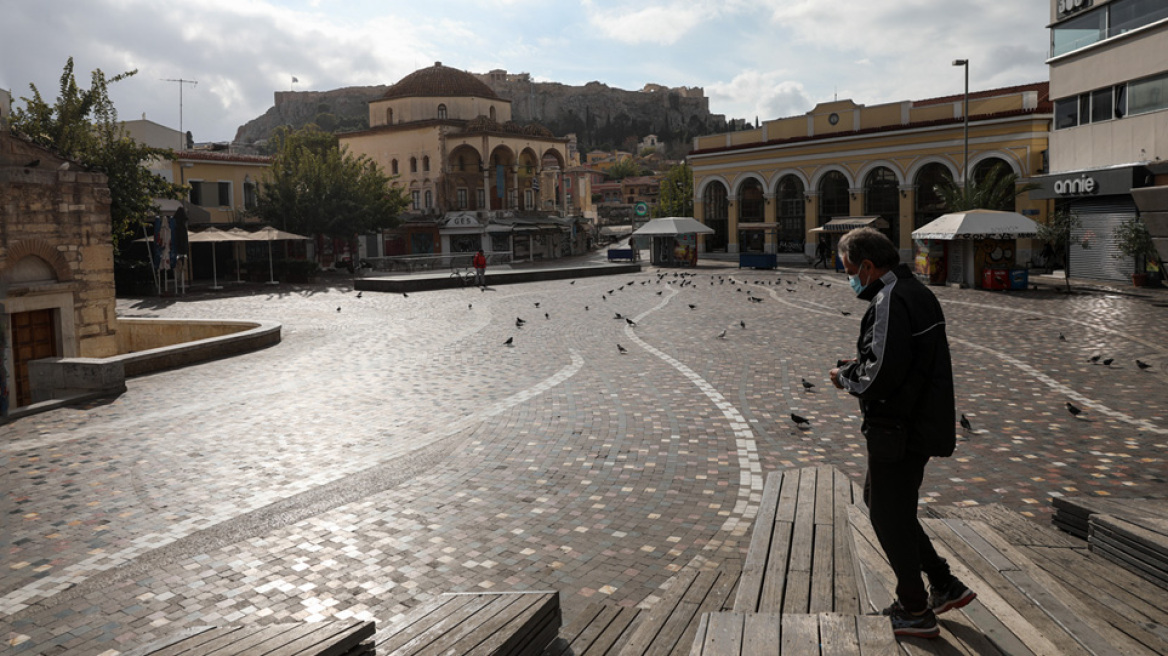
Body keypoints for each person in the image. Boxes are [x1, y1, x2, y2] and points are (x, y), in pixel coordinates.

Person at [829, 228, 976, 639]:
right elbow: (895, 356)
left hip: (899, 426)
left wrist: (844, 376)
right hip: (916, 421)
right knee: (884, 502)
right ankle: (944, 583)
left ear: (869, 266)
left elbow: (880, 375)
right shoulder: (916, 291)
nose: (850, 278)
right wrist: (858, 361)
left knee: (886, 513)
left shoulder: (890, 298)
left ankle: (915, 609)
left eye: (850, 271)